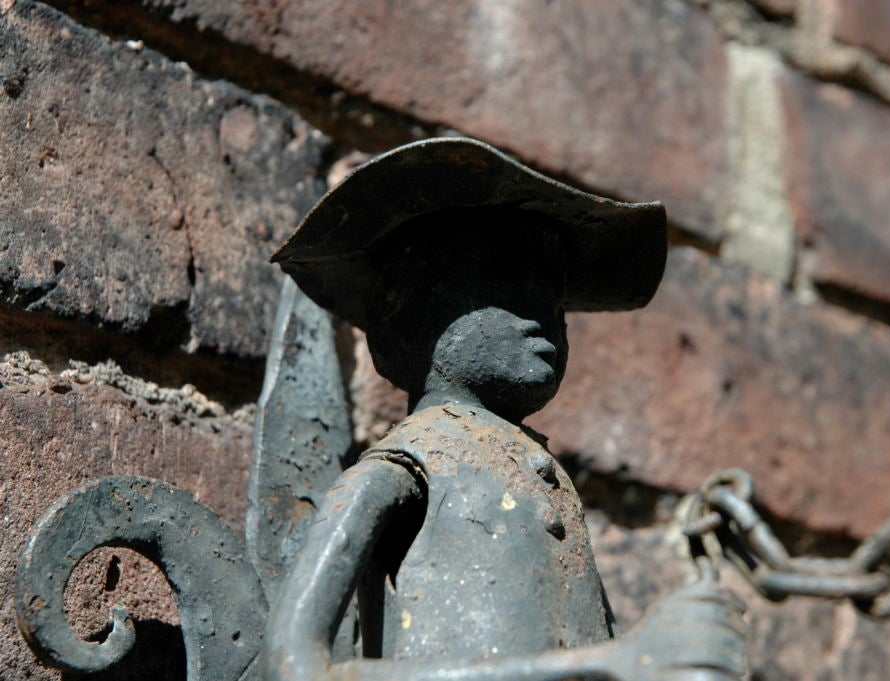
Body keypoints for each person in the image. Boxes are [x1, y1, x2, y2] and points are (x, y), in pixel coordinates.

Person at [264, 138, 746, 681]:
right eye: (508, 288)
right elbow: (295, 667)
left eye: (554, 302)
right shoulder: (408, 465)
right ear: (413, 309)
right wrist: (607, 664)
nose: (543, 318)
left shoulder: (536, 473)